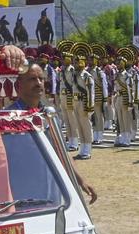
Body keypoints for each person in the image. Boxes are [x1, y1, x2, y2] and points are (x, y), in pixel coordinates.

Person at [8, 63, 97, 203]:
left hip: (51, 189)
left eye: (41, 79)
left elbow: (62, 152)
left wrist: (80, 181)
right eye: (32, 79)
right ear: (18, 85)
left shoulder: (49, 115)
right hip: (21, 192)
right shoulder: (9, 118)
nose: (38, 83)